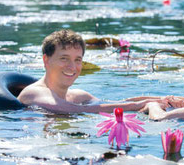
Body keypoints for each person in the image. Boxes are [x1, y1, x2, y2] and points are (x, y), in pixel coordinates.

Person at [18, 29, 165, 113]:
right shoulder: (33, 92)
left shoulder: (79, 96)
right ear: (46, 60)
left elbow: (117, 103)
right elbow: (67, 108)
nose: (72, 67)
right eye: (64, 58)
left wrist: (162, 100)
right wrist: (136, 106)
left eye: (78, 60)